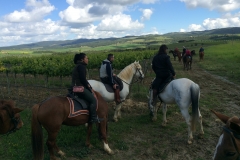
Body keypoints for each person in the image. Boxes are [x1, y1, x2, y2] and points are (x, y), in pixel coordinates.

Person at [71, 53, 99, 123]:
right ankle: (93, 118)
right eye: (86, 58)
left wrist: (88, 85)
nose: (87, 59)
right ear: (82, 59)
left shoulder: (77, 66)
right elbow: (83, 79)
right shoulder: (81, 67)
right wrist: (89, 87)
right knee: (93, 100)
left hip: (74, 87)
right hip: (79, 88)